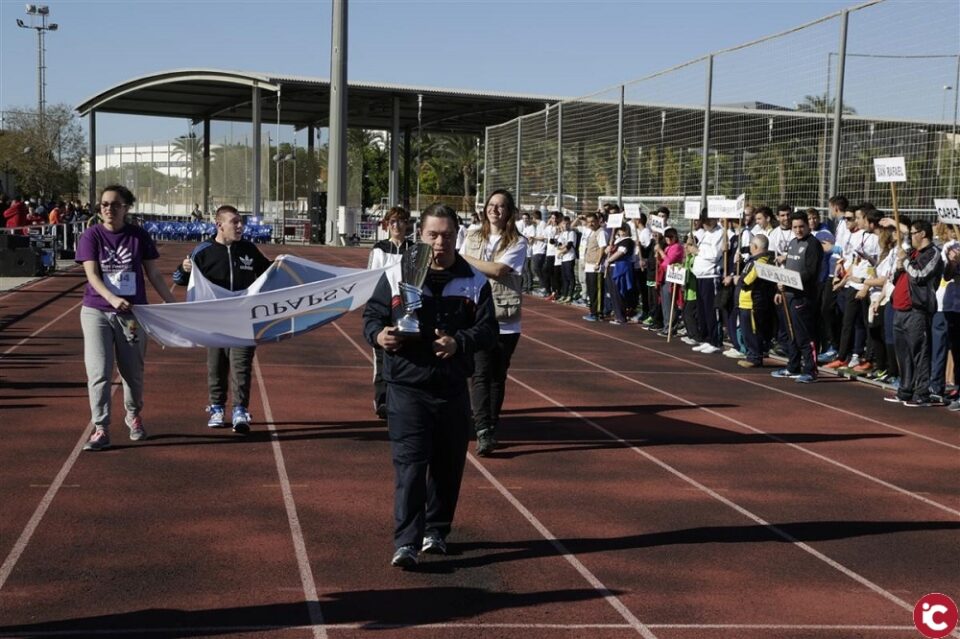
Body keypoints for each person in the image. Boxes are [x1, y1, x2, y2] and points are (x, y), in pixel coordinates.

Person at [362, 203, 497, 569]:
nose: (440, 242)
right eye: (433, 235)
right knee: (410, 465)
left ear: (457, 237)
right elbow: (372, 316)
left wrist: (458, 342)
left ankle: (435, 531)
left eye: (447, 235)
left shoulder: (474, 281)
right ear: (420, 236)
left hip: (452, 388)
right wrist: (379, 335)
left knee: (447, 467)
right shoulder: (395, 273)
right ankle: (406, 541)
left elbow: (488, 330)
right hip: (407, 386)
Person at [76, 185, 177, 451]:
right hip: (97, 311)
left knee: (132, 371)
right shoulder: (91, 235)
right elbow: (92, 275)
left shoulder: (138, 236)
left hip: (132, 314)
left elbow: (153, 273)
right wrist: (111, 298)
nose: (108, 209)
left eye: (115, 204)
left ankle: (133, 415)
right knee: (98, 371)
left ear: (126, 208)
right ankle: (100, 427)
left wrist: (172, 303)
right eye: (104, 204)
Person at [173, 205, 272, 433]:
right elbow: (179, 279)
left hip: (243, 319)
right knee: (216, 366)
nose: (240, 226)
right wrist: (184, 268)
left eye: (241, 222)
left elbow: (268, 272)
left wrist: (282, 264)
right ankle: (217, 407)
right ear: (219, 225)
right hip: (214, 321)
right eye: (234, 222)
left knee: (241, 365)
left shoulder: (248, 249)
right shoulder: (204, 251)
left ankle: (240, 410)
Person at [460, 190, 526, 456]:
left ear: (509, 212)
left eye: (501, 206)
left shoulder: (518, 242)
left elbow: (498, 270)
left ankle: (491, 423)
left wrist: (465, 259)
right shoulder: (473, 235)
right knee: (479, 373)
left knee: (497, 377)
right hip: (476, 314)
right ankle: (483, 429)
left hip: (505, 318)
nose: (494, 210)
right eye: (491, 205)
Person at [885, 220, 943, 406]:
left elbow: (920, 275)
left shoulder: (933, 253)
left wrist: (906, 261)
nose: (910, 237)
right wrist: (899, 267)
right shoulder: (911, 253)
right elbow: (898, 278)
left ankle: (922, 393)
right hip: (899, 309)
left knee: (920, 353)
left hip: (917, 311)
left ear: (922, 234)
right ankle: (905, 390)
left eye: (912, 233)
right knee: (903, 354)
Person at [367, 206, 414, 419]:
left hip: (406, 308)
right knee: (381, 355)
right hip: (384, 306)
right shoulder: (379, 249)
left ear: (407, 224)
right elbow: (371, 277)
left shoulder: (413, 249)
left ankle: (403, 398)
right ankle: (382, 400)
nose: (396, 226)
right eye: (393, 221)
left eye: (401, 221)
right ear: (387, 225)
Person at [771, 211, 824, 383]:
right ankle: (793, 366)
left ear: (808, 226)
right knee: (791, 333)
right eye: (795, 227)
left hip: (804, 297)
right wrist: (780, 289)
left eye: (801, 226)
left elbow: (810, 273)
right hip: (788, 295)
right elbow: (788, 268)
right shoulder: (793, 243)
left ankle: (811, 370)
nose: (798, 230)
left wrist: (789, 283)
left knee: (804, 335)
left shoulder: (813, 245)